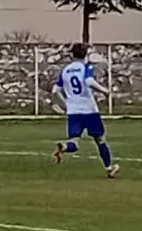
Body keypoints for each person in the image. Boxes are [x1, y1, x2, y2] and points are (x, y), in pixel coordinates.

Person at [51, 43, 119, 179]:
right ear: (86, 55)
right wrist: (105, 91)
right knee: (100, 139)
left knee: (74, 142)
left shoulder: (65, 70)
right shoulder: (86, 67)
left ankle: (64, 147)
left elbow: (55, 91)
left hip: (73, 111)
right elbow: (89, 81)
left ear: (72, 55)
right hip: (89, 110)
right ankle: (109, 169)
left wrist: (66, 104)